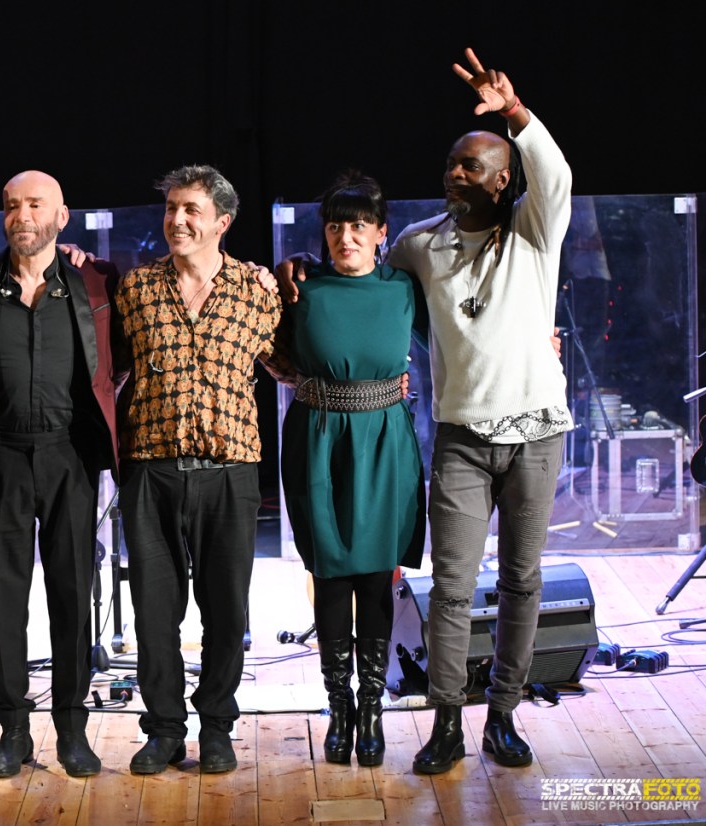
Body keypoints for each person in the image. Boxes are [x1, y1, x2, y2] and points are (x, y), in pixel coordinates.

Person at [278, 48, 572, 775]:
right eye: (449, 165)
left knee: (522, 580)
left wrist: (515, 112)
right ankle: (446, 722)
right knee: (450, 587)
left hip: (538, 433)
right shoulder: (420, 246)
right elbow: (364, 289)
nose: (454, 175)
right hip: (461, 437)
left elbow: (555, 175)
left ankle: (502, 714)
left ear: (503, 179)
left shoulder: (535, 232)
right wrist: (302, 271)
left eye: (470, 166)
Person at [0, 171, 119, 779]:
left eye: (35, 205)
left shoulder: (97, 280)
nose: (22, 215)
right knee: (3, 599)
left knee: (72, 593)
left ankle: (72, 729)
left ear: (61, 217)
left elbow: (121, 361)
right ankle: (14, 730)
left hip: (70, 455)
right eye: (12, 205)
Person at [112, 164, 281, 775]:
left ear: (222, 222)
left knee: (226, 610)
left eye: (191, 210)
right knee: (155, 612)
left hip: (229, 470)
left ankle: (216, 728)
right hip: (151, 470)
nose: (177, 220)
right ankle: (163, 730)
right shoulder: (136, 289)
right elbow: (110, 369)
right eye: (171, 208)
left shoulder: (257, 291)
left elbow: (286, 363)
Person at [263, 172, 426, 768]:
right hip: (318, 439)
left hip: (384, 440)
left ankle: (374, 709)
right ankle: (340, 708)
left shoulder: (403, 288)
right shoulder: (302, 288)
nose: (346, 237)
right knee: (330, 572)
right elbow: (266, 347)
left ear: (381, 232)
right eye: (335, 226)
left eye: (359, 226)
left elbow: (464, 331)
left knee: (377, 572)